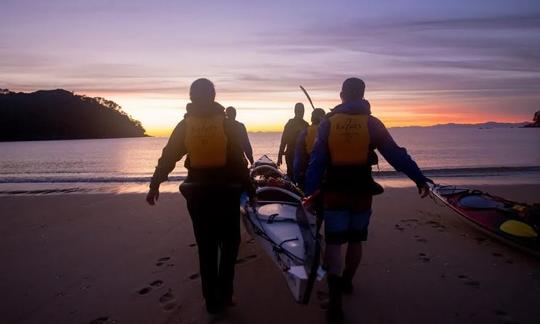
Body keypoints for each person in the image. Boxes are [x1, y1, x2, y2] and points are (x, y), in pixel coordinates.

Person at [305, 78, 431, 322]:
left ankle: (335, 298)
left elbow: (316, 162)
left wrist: (309, 193)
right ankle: (347, 283)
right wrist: (419, 178)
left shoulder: (328, 124)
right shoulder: (372, 123)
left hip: (335, 192)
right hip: (362, 193)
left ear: (342, 95)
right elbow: (396, 154)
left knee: (333, 244)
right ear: (362, 96)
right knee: (355, 240)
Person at [146, 78, 254, 314]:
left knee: (206, 247)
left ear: (192, 97)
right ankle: (225, 295)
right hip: (226, 194)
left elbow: (168, 158)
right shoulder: (229, 125)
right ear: (214, 97)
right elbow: (238, 163)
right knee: (230, 244)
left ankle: (211, 302)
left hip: (198, 195)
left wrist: (155, 184)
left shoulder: (184, 126)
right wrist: (251, 189)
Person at [293, 108, 326, 189]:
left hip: (308, 173)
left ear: (312, 118)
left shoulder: (305, 132)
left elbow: (298, 157)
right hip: (325, 175)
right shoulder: (328, 131)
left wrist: (296, 175)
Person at [278, 103, 309, 180]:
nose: (301, 112)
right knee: (296, 175)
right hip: (294, 155)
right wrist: (279, 156)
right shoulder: (305, 125)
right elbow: (283, 141)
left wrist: (280, 156)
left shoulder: (291, 124)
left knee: (293, 175)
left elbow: (283, 141)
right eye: (300, 111)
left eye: (302, 111)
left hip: (297, 155)